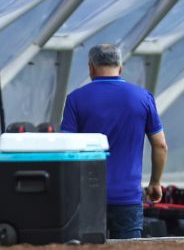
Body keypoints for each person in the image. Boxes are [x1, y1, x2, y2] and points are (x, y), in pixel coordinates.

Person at [60, 44, 168, 239]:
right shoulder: (143, 98)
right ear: (121, 66)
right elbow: (160, 145)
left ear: (91, 67)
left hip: (86, 198)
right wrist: (155, 182)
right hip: (127, 197)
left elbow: (65, 148)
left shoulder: (75, 99)